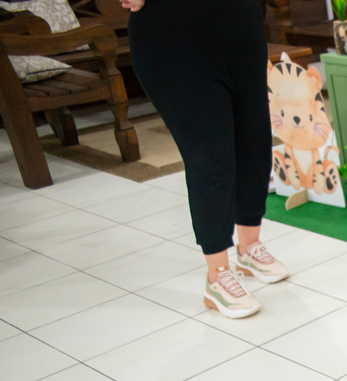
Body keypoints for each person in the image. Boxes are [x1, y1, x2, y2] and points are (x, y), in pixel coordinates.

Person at [121, 0, 288, 319]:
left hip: (239, 24)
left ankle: (249, 248)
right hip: (173, 36)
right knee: (210, 155)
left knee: (253, 141)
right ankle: (217, 276)